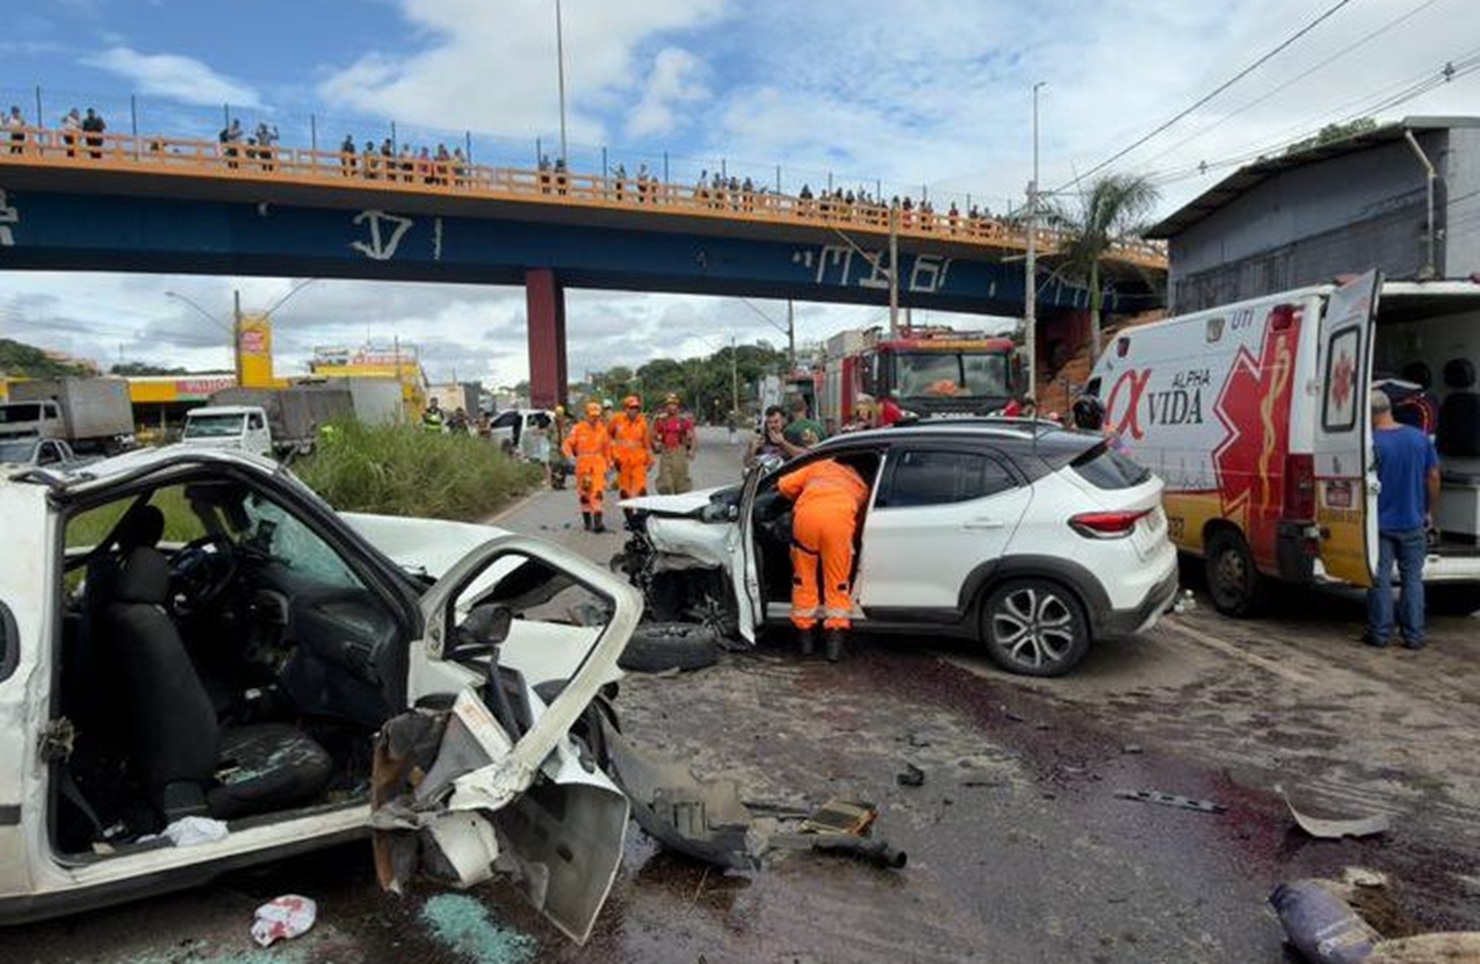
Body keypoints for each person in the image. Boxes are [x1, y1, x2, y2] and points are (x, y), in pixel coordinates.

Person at [1364, 389, 1441, 650]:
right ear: (1389, 409)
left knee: (1380, 577)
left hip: (1380, 525)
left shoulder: (1370, 443)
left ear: (1370, 414)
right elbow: (1432, 477)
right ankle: (1414, 636)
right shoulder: (1419, 438)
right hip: (1412, 520)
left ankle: (1380, 634)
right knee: (1412, 579)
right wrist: (1428, 510)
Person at [777, 457, 870, 662]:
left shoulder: (819, 465)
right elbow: (860, 518)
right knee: (837, 583)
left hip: (806, 519)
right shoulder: (861, 485)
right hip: (838, 523)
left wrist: (800, 497)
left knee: (803, 579)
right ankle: (834, 646)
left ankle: (805, 642)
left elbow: (783, 485)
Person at [563, 402, 614, 532]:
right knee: (584, 494)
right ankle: (587, 523)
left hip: (598, 466)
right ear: (586, 415)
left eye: (597, 416)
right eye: (592, 416)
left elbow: (608, 450)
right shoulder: (578, 428)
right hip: (582, 466)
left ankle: (598, 522)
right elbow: (567, 444)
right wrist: (570, 457)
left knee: (597, 492)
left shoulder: (603, 430)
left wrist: (609, 465)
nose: (594, 418)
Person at [608, 395, 653, 523]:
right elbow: (607, 435)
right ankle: (629, 519)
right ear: (625, 409)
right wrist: (612, 455)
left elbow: (646, 443)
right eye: (631, 408)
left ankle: (641, 518)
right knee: (625, 492)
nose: (634, 410)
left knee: (641, 490)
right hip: (622, 463)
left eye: (636, 408)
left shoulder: (642, 422)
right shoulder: (617, 420)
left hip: (638, 462)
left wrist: (650, 458)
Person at [652, 393, 696, 495]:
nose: (671, 407)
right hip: (666, 453)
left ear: (677, 406)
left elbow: (692, 436)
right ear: (666, 407)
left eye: (673, 404)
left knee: (681, 485)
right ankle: (668, 503)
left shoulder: (683, 421)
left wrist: (692, 450)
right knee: (665, 483)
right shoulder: (661, 421)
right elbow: (653, 435)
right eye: (669, 404)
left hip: (680, 452)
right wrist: (655, 444)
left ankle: (679, 505)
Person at [778, 394, 824, 458]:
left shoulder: (789, 430)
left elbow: (787, 454)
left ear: (791, 411)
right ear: (806, 408)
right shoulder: (819, 428)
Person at [745, 405, 789, 470]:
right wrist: (752, 450)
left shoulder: (789, 437)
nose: (773, 425)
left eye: (776, 422)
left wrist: (783, 443)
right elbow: (748, 465)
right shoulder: (762, 439)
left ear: (783, 421)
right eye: (770, 422)